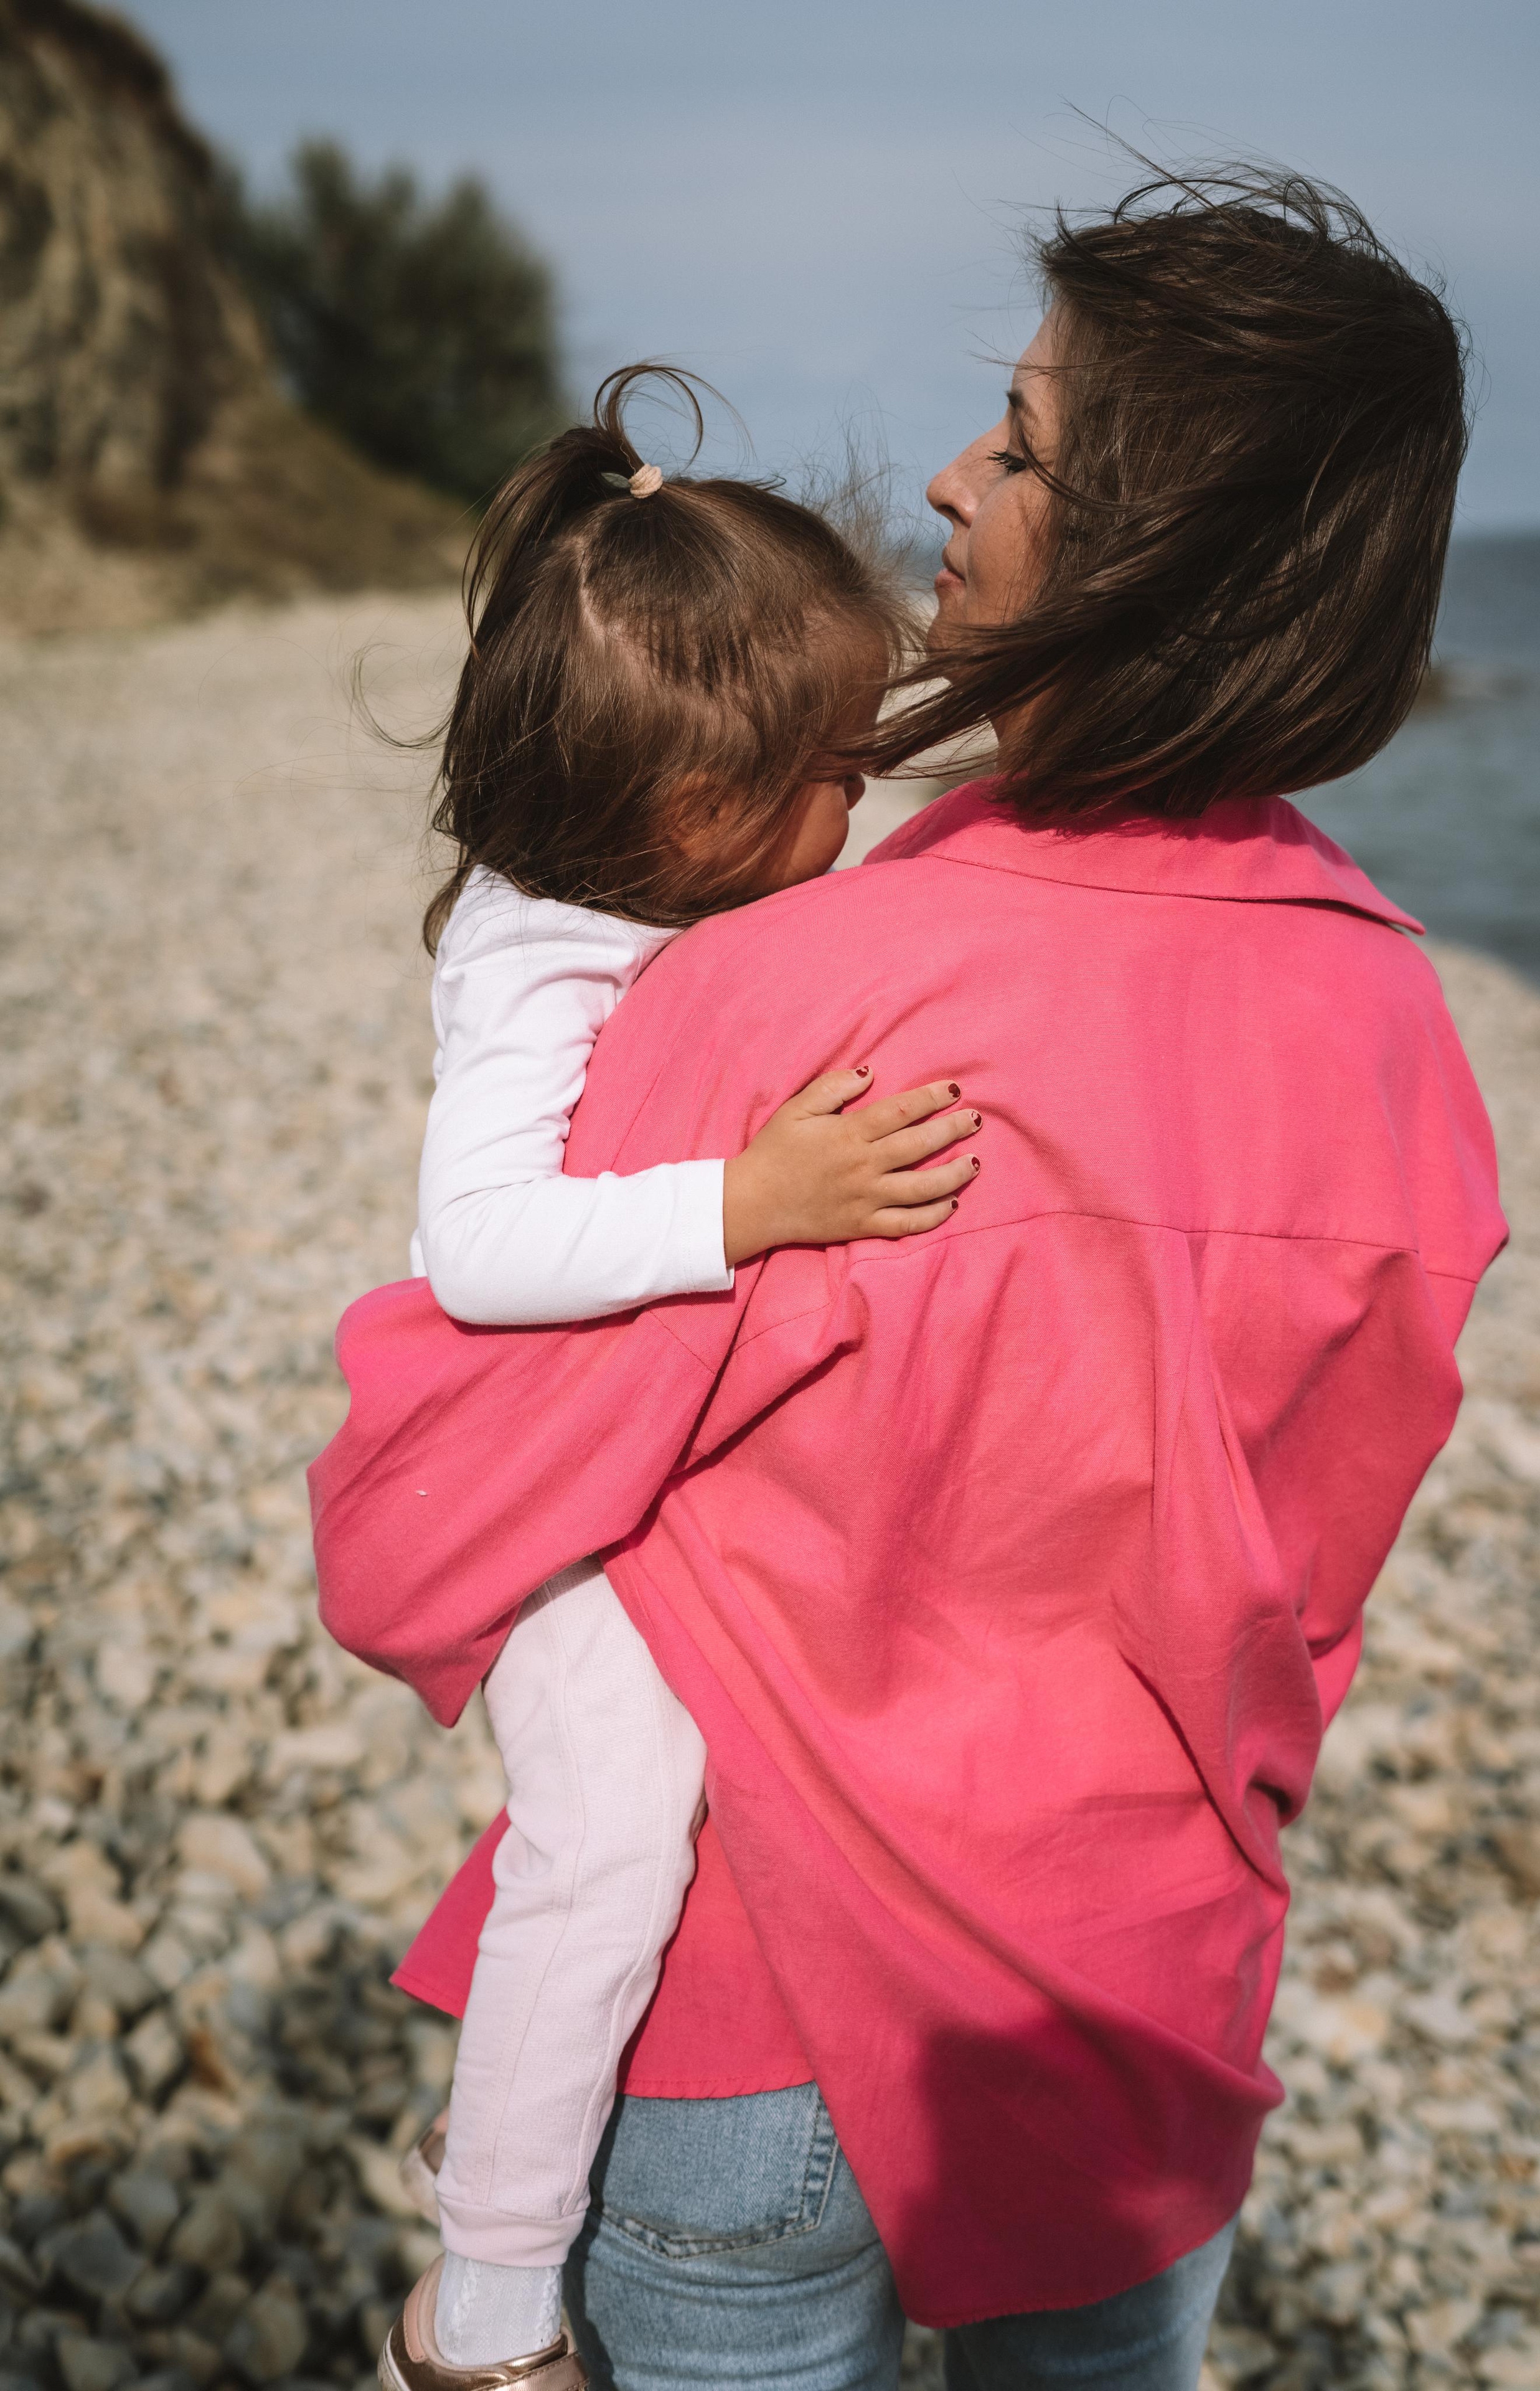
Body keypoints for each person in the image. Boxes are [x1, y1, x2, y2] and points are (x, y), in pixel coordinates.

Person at [313, 170, 1507, 2391]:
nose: (953, 478)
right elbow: (1302, 1586)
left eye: (1025, 445)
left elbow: (425, 1518)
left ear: (1154, 553)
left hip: (760, 1991)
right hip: (1142, 1985)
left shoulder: (800, 995)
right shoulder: (1404, 1046)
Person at [383, 365, 980, 2380]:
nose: (858, 805)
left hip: (599, 1458)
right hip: (527, 1497)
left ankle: (502, 2182)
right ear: (692, 810)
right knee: (617, 1827)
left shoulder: (648, 888)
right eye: (835, 772)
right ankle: (484, 2298)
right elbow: (479, 1244)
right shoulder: (534, 953)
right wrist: (750, 1202)